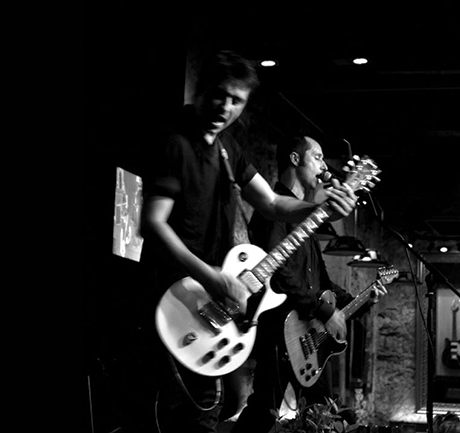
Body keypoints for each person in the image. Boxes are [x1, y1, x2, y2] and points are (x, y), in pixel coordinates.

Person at [139, 51, 359, 433]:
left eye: (236, 100)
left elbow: (271, 203)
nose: (225, 108)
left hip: (212, 299)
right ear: (202, 90)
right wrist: (212, 277)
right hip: (176, 294)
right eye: (219, 95)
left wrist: (319, 209)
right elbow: (153, 224)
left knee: (215, 408)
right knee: (190, 412)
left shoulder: (228, 148)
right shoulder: (176, 143)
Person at [230, 135, 388, 433]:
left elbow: (320, 281)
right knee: (264, 411)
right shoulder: (274, 214)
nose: (323, 166)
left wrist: (361, 300)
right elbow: (278, 274)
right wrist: (325, 311)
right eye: (317, 157)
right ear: (294, 159)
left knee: (326, 413)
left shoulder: (308, 218)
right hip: (280, 331)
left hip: (308, 335)